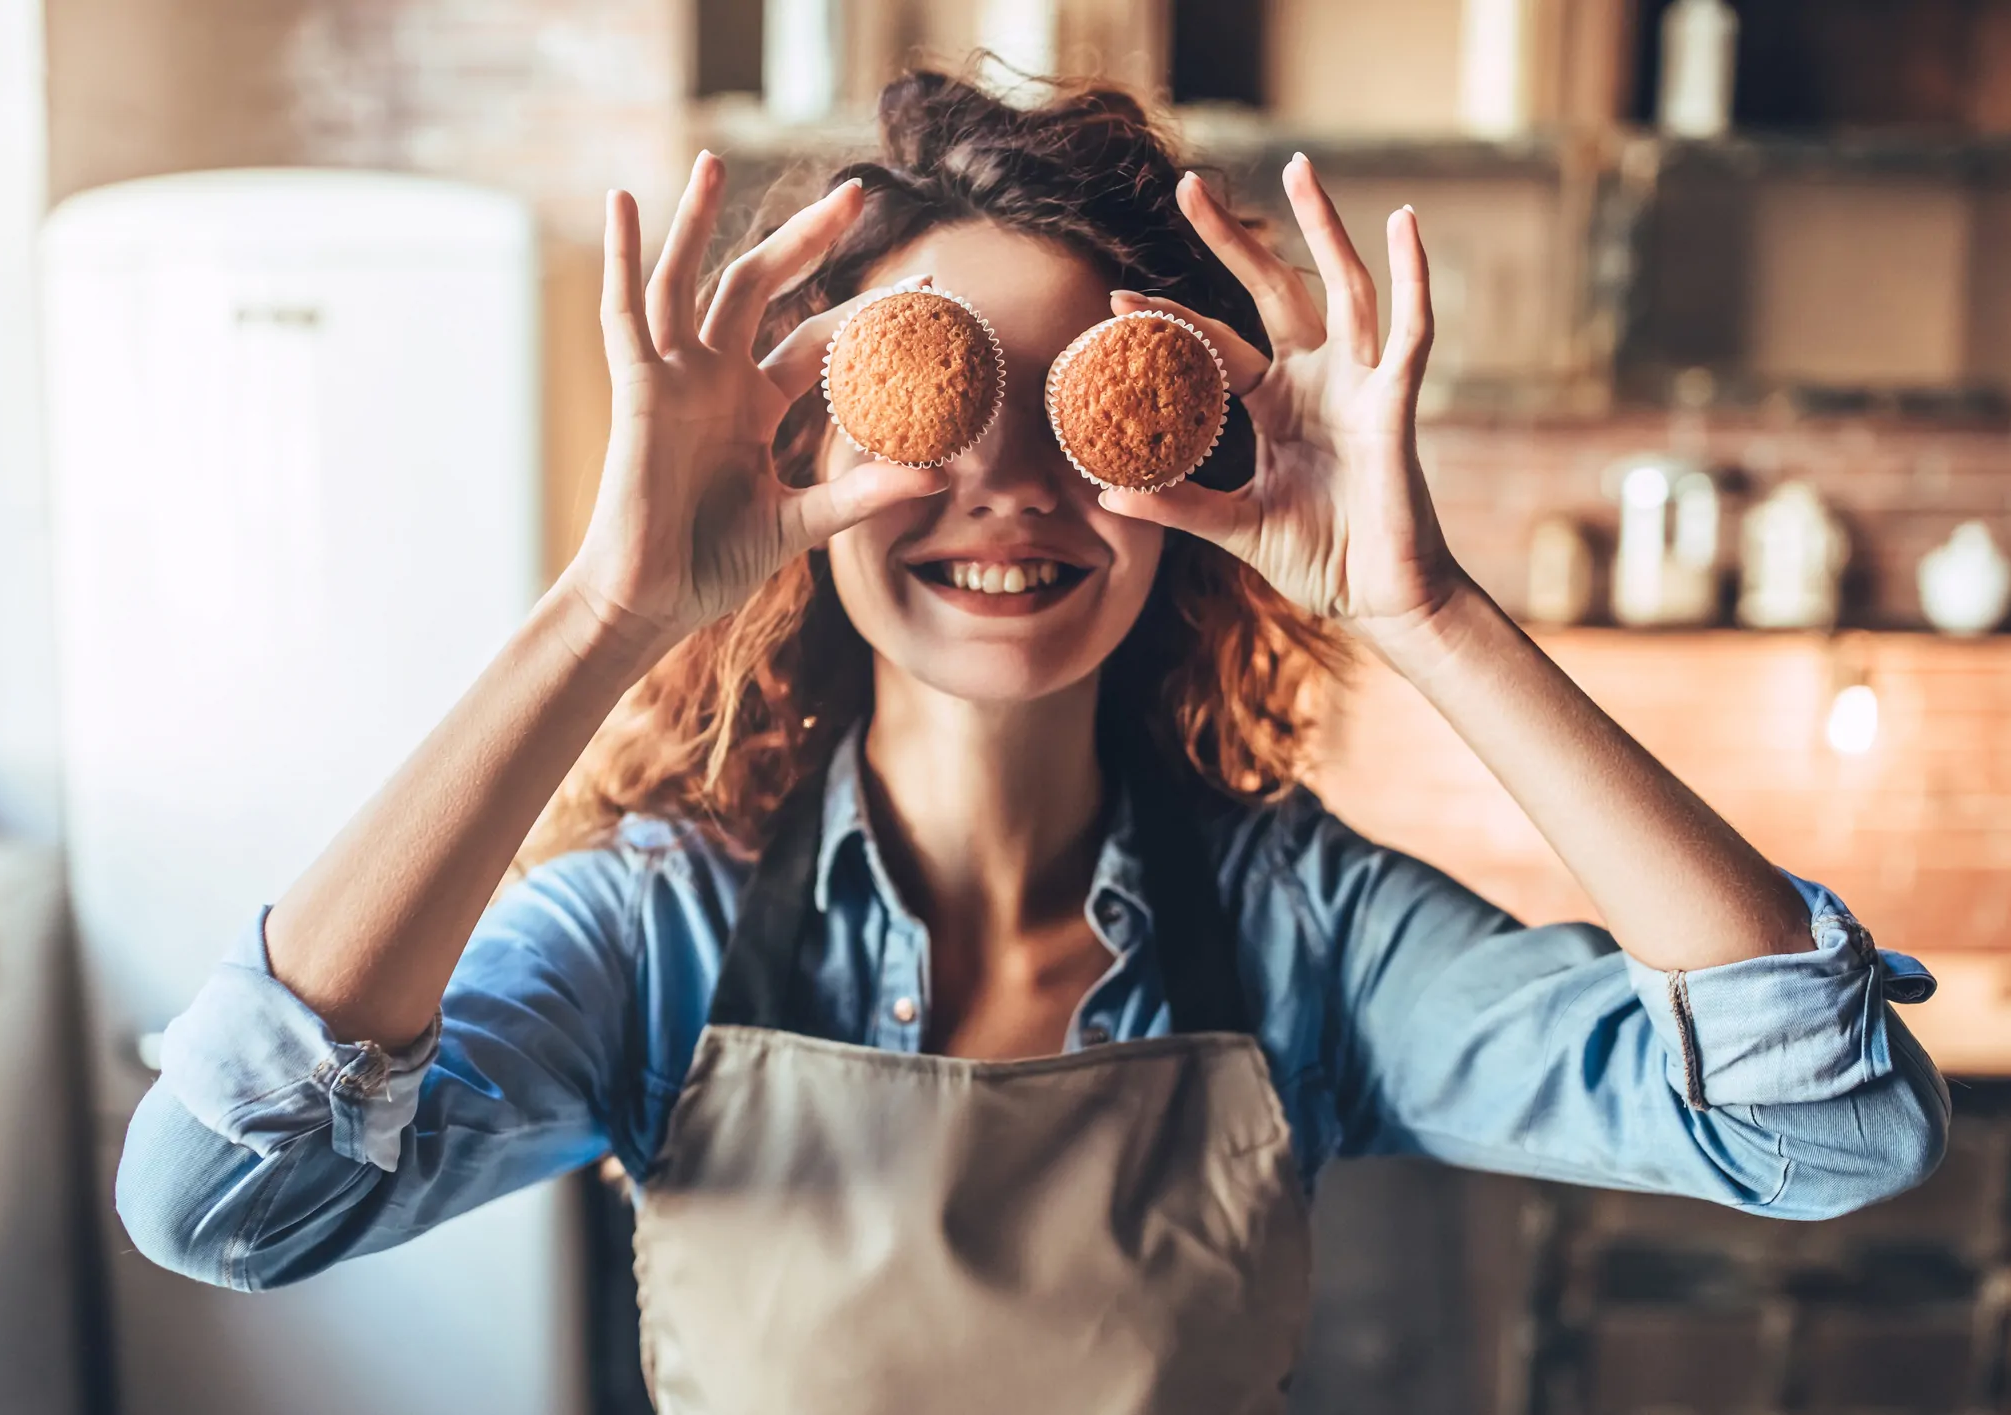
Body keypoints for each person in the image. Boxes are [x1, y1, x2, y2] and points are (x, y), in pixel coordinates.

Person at [117, 73, 1947, 1413]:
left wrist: (1425, 605)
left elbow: (1830, 1127)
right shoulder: (654, 944)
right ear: (819, 456)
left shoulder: (1303, 936)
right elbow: (222, 1200)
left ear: (1181, 477)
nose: (1006, 490)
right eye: (938, 399)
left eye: (1084, 413)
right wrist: (611, 610)